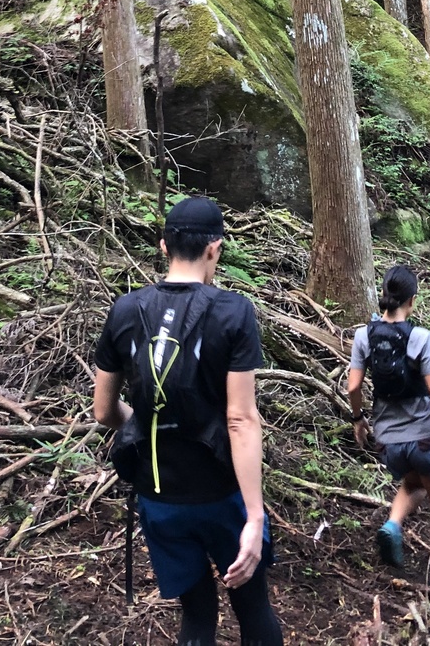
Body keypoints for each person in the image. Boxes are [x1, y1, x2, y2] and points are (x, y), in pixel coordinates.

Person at [92, 194, 283, 646]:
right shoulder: (233, 311)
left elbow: (104, 411)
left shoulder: (125, 309)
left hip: (160, 497)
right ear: (215, 248)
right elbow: (241, 420)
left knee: (196, 617)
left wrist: (144, 423)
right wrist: (255, 517)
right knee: (253, 607)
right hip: (222, 492)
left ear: (164, 246)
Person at [348, 264, 430, 595]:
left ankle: (393, 524)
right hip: (425, 438)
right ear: (412, 300)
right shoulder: (420, 338)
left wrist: (358, 419)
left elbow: (353, 386)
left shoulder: (363, 336)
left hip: (389, 442)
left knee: (414, 482)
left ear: (384, 296)